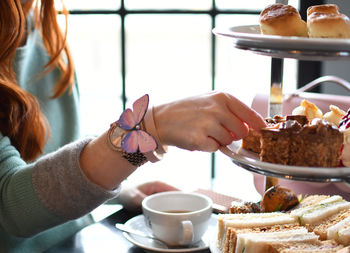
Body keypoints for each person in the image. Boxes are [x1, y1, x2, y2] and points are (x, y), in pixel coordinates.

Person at [0, 0, 266, 252]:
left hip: (77, 239)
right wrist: (148, 129)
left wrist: (119, 189)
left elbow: (51, 160)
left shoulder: (44, 26)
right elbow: (13, 207)